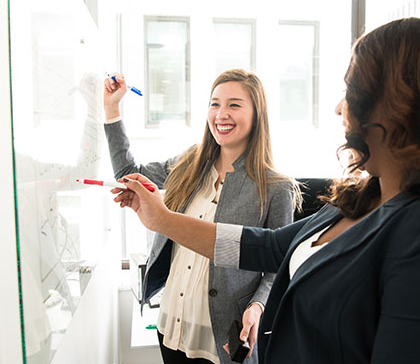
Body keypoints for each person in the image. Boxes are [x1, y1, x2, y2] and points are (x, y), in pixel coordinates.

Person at [112, 18, 420, 363]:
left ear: (402, 103)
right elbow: (268, 247)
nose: (339, 108)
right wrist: (161, 218)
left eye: (351, 91)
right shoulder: (361, 198)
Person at [102, 69, 299, 364]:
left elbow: (279, 265)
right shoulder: (190, 163)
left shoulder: (276, 187)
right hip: (171, 324)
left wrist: (258, 306)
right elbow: (126, 175)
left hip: (223, 337)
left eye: (234, 105)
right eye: (214, 103)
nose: (221, 114)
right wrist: (112, 108)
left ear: (257, 114)